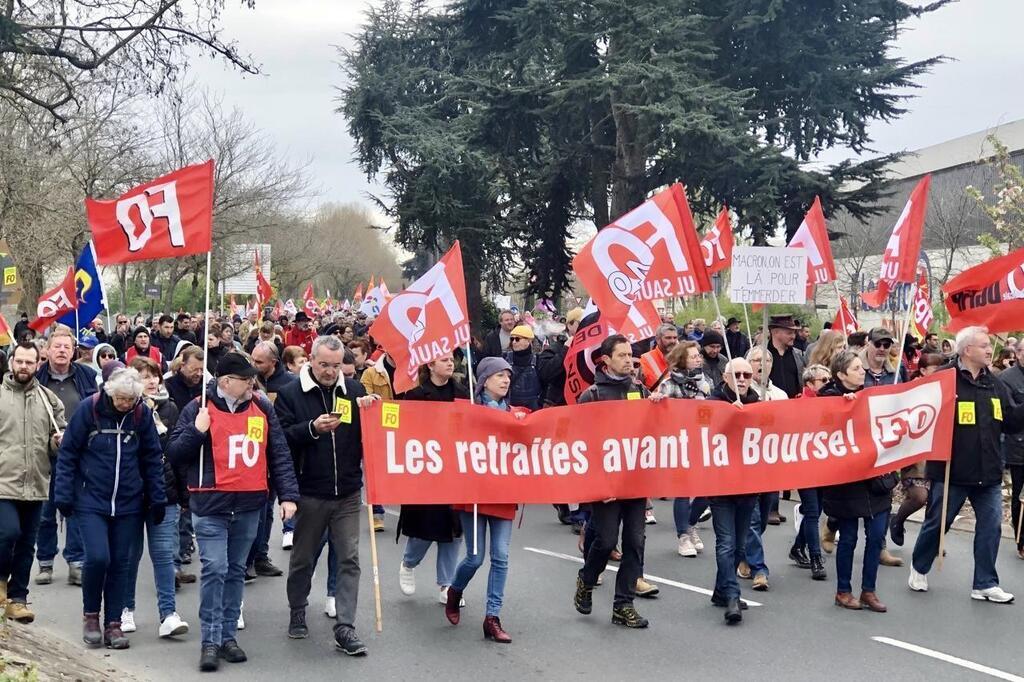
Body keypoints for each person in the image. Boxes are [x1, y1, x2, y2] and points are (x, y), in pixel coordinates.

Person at [167, 353, 300, 672]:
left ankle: (227, 636)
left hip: (250, 502)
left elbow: (278, 452)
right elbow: (174, 453)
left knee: (236, 569)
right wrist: (197, 431)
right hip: (210, 503)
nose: (252, 383)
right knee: (215, 568)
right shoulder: (198, 408)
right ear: (226, 382)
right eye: (246, 379)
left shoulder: (262, 407)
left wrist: (288, 496)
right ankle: (210, 640)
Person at [275, 335, 376, 657]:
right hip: (310, 492)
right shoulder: (291, 394)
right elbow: (280, 440)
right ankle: (297, 609)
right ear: (311, 361)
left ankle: (345, 626)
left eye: (336, 366)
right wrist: (311, 428)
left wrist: (372, 410)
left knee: (349, 559)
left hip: (347, 492)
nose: (331, 372)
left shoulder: (354, 391)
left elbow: (369, 436)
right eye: (324, 365)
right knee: (304, 558)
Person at [54, 364, 167, 648]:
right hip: (90, 499)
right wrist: (63, 493)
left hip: (129, 502)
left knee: (121, 563)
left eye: (130, 400)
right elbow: (68, 453)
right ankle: (91, 615)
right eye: (121, 399)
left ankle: (113, 623)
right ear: (109, 392)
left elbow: (152, 457)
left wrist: (157, 497)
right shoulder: (88, 410)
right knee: (98, 558)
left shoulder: (140, 414)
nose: (125, 404)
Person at [910, 326, 1024, 603]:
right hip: (953, 470)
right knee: (939, 522)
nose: (990, 349)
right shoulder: (943, 378)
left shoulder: (994, 383)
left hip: (989, 471)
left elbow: (1010, 422)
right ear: (966, 350)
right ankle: (919, 566)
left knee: (991, 526)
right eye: (984, 345)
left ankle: (985, 583)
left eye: (989, 345)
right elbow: (920, 418)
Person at [572, 335, 666, 629]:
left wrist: (658, 408)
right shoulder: (593, 396)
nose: (629, 360)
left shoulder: (638, 389)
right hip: (606, 486)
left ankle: (623, 605)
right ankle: (587, 579)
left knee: (635, 543)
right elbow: (582, 444)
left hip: (635, 481)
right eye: (623, 355)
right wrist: (597, 484)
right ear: (606, 360)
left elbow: (651, 432)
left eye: (631, 355)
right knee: (606, 541)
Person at [444, 357, 522, 643]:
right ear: (484, 380)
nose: (505, 380)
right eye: (499, 375)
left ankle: (492, 617)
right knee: (475, 558)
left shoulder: (516, 413)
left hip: (503, 494)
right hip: (474, 494)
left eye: (508, 376)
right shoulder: (469, 411)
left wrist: (524, 428)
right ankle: (455, 590)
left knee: (500, 556)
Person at [819, 351, 893, 612]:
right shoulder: (827, 397)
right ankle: (843, 590)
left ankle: (869, 591)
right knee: (848, 538)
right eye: (856, 368)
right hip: (846, 483)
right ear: (841, 374)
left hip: (875, 480)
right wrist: (843, 406)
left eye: (862, 368)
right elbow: (822, 429)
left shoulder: (871, 394)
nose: (862, 372)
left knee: (875, 538)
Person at [122, 357, 191, 639]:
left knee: (163, 555)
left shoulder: (170, 408)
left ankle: (169, 614)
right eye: (143, 376)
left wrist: (184, 492)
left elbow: (177, 454)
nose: (151, 381)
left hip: (165, 492)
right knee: (129, 556)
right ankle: (124, 609)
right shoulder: (124, 410)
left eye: (154, 375)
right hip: (130, 494)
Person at [0, 342, 66, 624]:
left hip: (37, 483)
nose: (24, 367)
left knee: (28, 545)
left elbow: (60, 437)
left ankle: (17, 600)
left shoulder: (48, 400)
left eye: (30, 362)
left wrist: (57, 443)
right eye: (20, 362)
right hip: (3, 481)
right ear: (11, 362)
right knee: (7, 534)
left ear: (38, 364)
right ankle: (1, 580)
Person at [397, 354, 467, 607]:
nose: (450, 363)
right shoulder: (415, 394)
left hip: (455, 468)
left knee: (454, 529)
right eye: (444, 359)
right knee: (425, 526)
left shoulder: (462, 392)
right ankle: (409, 563)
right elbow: (403, 428)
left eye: (452, 359)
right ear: (430, 365)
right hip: (425, 468)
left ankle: (446, 584)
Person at [35, 326, 97, 587]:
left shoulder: (86, 376)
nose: (62, 351)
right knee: (45, 511)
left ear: (74, 351)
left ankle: (77, 562)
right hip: (44, 454)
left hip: (78, 454)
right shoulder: (36, 378)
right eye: (57, 346)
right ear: (47, 350)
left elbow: (96, 410)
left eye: (67, 347)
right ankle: (46, 563)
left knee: (75, 509)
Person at [707, 358, 759, 624]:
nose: (741, 379)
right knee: (726, 543)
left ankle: (720, 590)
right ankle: (731, 595)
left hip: (747, 485)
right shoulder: (713, 401)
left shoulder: (758, 404)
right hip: (721, 485)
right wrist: (726, 414)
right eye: (736, 374)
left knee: (739, 546)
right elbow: (702, 431)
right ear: (725, 377)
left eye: (747, 375)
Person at [658, 340, 710, 558]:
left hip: (702, 441)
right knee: (683, 490)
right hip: (679, 442)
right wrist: (658, 401)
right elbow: (659, 413)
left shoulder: (704, 382)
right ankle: (683, 536)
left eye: (698, 355)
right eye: (693, 356)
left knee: (707, 490)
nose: (698, 358)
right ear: (682, 359)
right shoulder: (669, 384)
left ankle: (690, 523)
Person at [889, 352, 946, 548]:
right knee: (919, 497)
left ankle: (930, 543)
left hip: (937, 452)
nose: (940, 372)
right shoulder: (911, 391)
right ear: (922, 370)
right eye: (935, 369)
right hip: (914, 453)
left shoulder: (944, 389)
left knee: (937, 502)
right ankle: (898, 519)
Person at [998, 342, 1024, 559]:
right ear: (1018, 353)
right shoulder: (1007, 378)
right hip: (1019, 447)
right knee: (1021, 496)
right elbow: (1011, 418)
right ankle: (1021, 539)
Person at [537, 307, 583, 408]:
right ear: (570, 325)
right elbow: (545, 373)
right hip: (558, 405)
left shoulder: (589, 349)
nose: (585, 327)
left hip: (581, 404)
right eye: (581, 323)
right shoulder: (556, 347)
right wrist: (566, 350)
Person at [503, 324, 542, 411]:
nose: (513, 342)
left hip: (533, 409)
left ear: (528, 341)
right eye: (512, 339)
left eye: (517, 339)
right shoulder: (505, 358)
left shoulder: (538, 360)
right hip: (511, 407)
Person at [766, 315, 805, 399]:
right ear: (775, 332)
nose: (793, 336)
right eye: (789, 333)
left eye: (794, 333)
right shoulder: (759, 355)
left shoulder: (798, 355)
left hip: (793, 406)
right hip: (768, 406)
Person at [165, 346, 206, 414]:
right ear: (182, 365)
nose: (199, 374)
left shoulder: (205, 388)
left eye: (201, 369)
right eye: (194, 369)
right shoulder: (168, 386)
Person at [638, 323, 679, 391]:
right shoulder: (645, 359)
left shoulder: (684, 357)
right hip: (654, 400)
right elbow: (638, 388)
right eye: (668, 338)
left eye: (675, 338)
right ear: (657, 339)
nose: (673, 341)